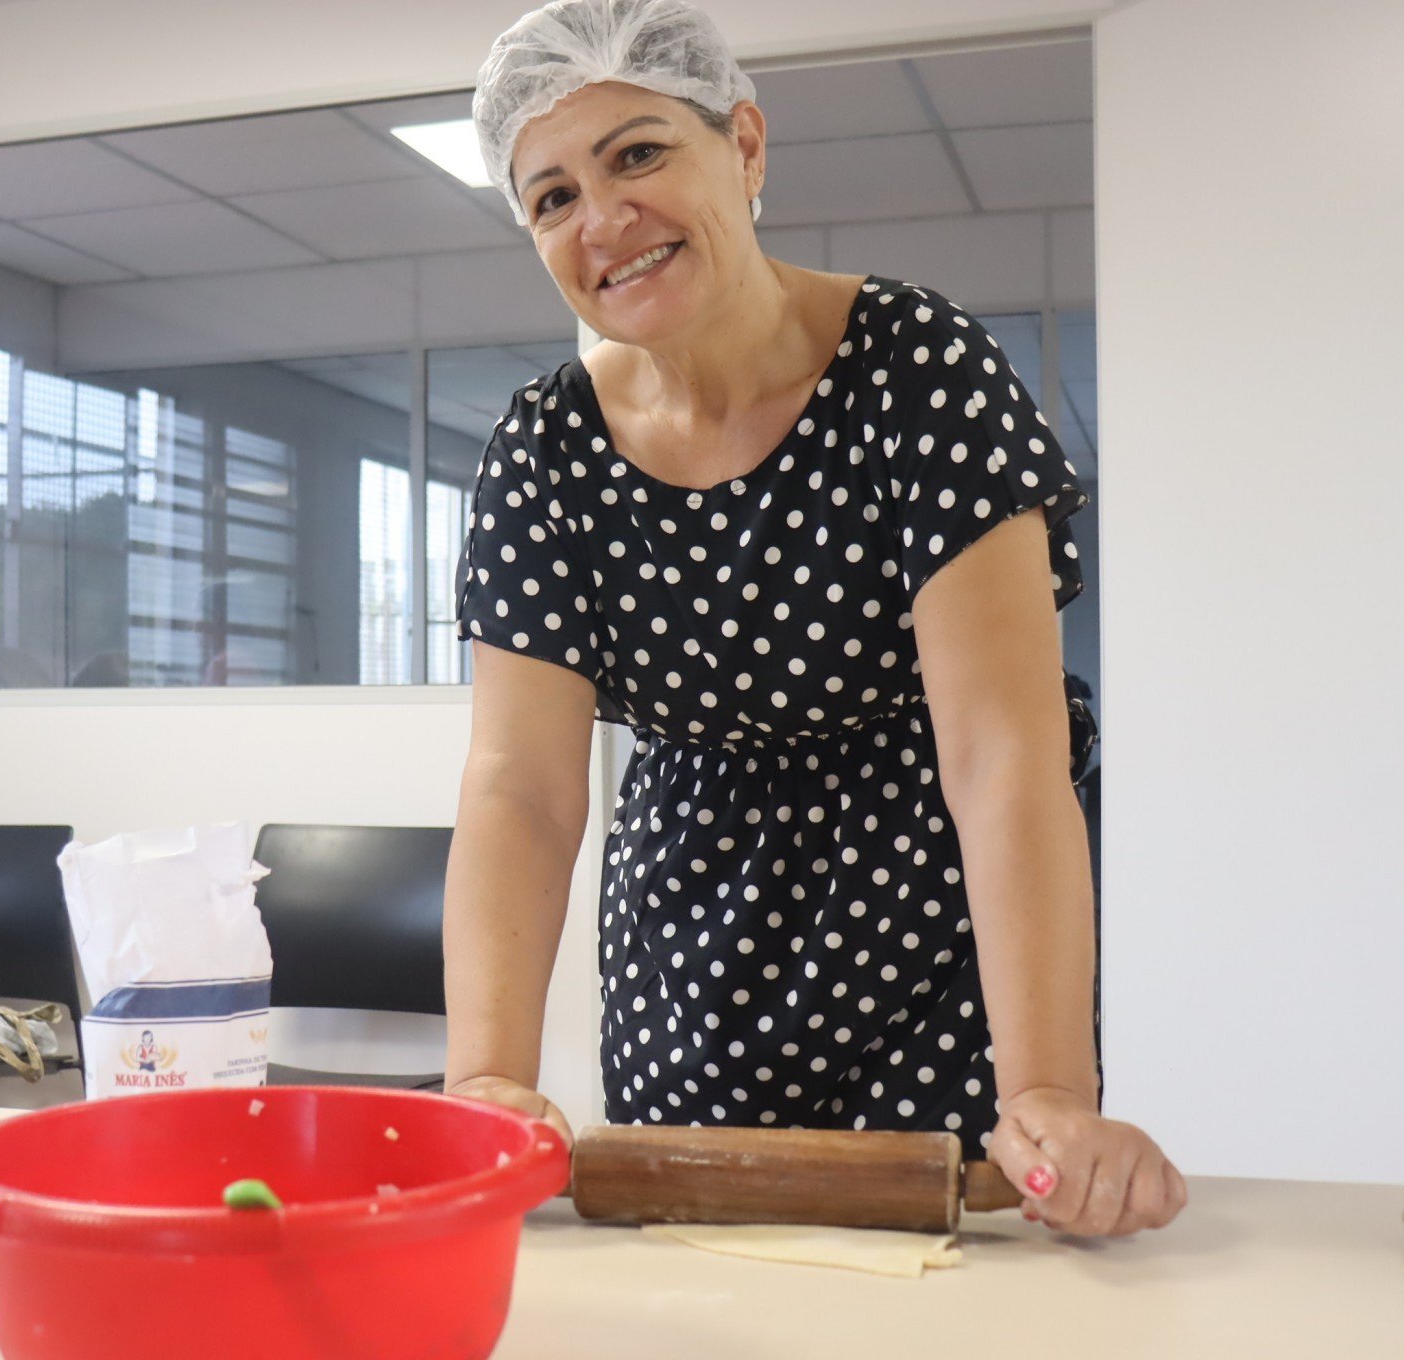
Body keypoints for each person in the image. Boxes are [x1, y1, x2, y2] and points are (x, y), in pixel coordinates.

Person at [443, 0, 1186, 1239]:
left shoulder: (919, 370)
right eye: (552, 196)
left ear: (744, 145)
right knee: (704, 1278)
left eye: (638, 153)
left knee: (969, 1265)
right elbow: (520, 785)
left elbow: (1001, 753)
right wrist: (485, 1078)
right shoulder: (546, 447)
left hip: (937, 909)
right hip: (694, 925)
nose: (604, 220)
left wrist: (1051, 1085)